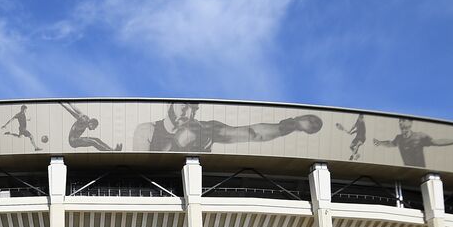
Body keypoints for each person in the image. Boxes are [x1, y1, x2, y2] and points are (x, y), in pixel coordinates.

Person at [134, 102, 324, 153]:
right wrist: (177, 144)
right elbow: (143, 172)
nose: (189, 114)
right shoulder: (147, 130)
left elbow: (253, 133)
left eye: (194, 109)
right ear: (171, 104)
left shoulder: (205, 129)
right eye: (185, 107)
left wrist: (291, 125)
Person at [373, 117, 453, 168]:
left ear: (410, 123)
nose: (400, 122)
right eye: (399, 121)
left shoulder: (420, 136)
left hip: (420, 171)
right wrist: (380, 143)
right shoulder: (399, 138)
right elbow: (390, 143)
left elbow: (436, 142)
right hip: (408, 172)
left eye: (403, 120)